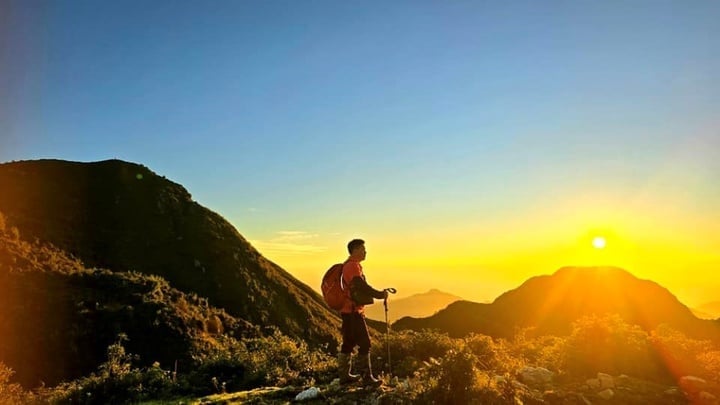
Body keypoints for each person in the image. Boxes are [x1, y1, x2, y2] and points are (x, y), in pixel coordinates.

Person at [337, 238, 388, 385]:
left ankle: (344, 377)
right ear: (355, 250)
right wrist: (379, 294)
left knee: (348, 343)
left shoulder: (350, 265)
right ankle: (366, 378)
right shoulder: (352, 266)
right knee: (365, 344)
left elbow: (359, 286)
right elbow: (360, 285)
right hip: (353, 312)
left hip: (349, 311)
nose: (365, 252)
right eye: (363, 249)